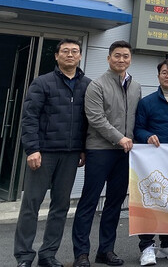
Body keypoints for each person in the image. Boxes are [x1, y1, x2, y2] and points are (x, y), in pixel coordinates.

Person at [14, 39, 90, 267]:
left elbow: (89, 121)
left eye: (74, 51)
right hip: (43, 153)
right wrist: (32, 149)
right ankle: (24, 256)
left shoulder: (88, 85)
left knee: (60, 206)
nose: (70, 55)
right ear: (57, 56)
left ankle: (48, 254)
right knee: (31, 205)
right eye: (65, 51)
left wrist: (83, 148)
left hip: (71, 155)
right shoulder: (42, 82)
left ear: (80, 56)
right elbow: (29, 118)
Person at [72, 40, 142, 267]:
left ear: (130, 59)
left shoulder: (135, 86)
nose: (121, 59)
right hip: (100, 150)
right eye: (117, 55)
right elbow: (96, 118)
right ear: (109, 58)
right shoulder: (97, 85)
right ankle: (81, 254)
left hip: (125, 153)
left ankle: (106, 251)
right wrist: (120, 138)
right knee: (89, 202)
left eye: (125, 56)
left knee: (114, 203)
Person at [133, 59, 168, 266]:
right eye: (164, 72)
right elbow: (138, 129)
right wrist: (147, 136)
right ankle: (147, 246)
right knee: (149, 202)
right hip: (152, 162)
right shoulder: (147, 102)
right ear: (158, 76)